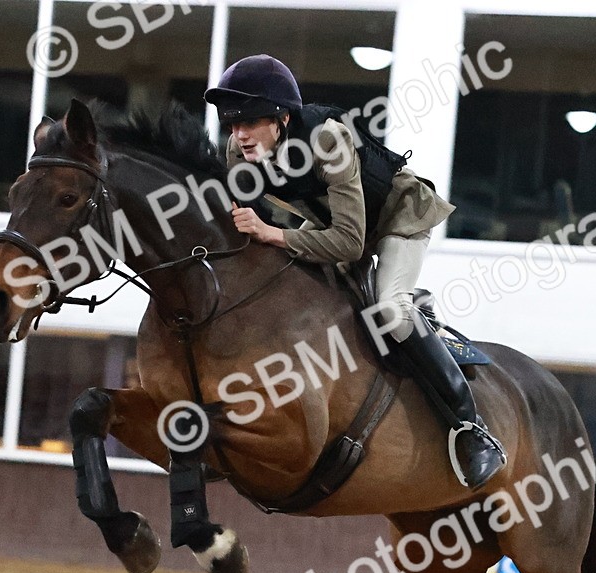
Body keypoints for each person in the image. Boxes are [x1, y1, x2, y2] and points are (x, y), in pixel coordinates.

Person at [204, 54, 506, 489]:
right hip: (336, 221)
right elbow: (241, 227)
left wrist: (273, 234)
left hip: (397, 217)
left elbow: (347, 242)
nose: (239, 135)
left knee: (390, 312)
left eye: (249, 122)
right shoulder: (239, 151)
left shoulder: (327, 139)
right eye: (232, 124)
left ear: (281, 117)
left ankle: (471, 427)